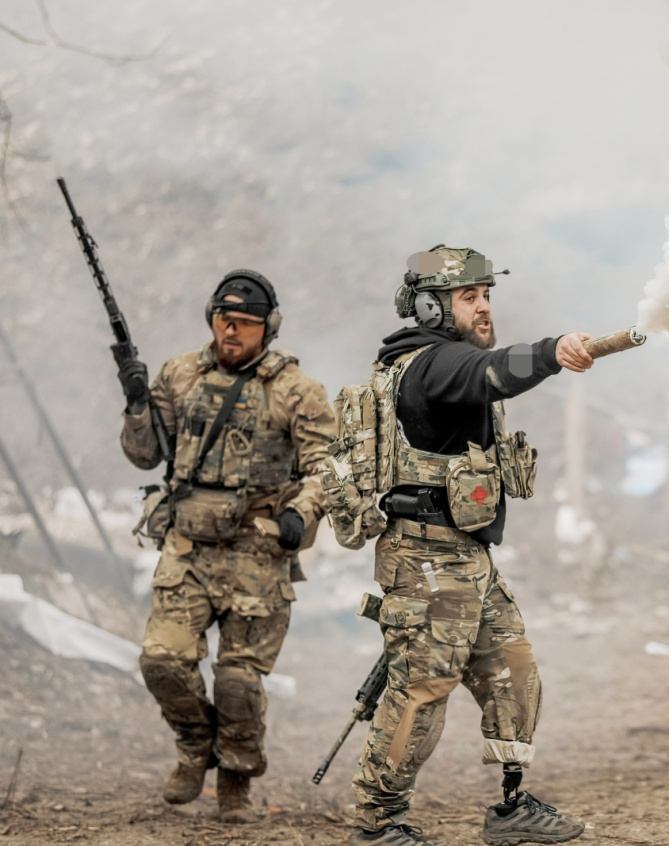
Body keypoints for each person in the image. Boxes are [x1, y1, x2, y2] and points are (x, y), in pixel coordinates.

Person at [333, 246, 591, 846]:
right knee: (422, 691)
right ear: (431, 307)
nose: (483, 307)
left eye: (487, 295)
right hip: (427, 560)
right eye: (468, 297)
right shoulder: (436, 363)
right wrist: (552, 351)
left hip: (465, 557)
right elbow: (492, 372)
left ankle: (512, 808)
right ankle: (377, 824)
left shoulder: (438, 361)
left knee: (512, 669)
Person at [119, 270, 335, 820]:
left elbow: (327, 468)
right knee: (162, 661)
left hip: (255, 552)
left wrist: (300, 512)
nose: (230, 331)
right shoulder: (181, 375)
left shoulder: (296, 391)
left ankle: (236, 775)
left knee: (238, 681)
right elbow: (144, 456)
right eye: (222, 319)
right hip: (188, 547)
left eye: (243, 322)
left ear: (269, 327)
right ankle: (195, 748)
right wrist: (138, 403)